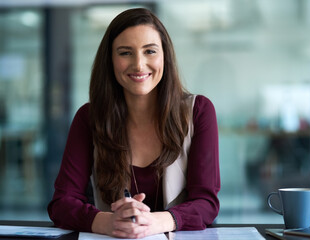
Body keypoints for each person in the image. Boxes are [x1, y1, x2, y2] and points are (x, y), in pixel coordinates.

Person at [48, 8, 220, 239]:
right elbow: (62, 203)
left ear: (164, 57)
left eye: (150, 51)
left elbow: (206, 203)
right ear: (110, 60)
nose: (139, 65)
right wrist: (109, 223)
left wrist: (152, 222)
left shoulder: (199, 111)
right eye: (125, 53)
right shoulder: (89, 118)